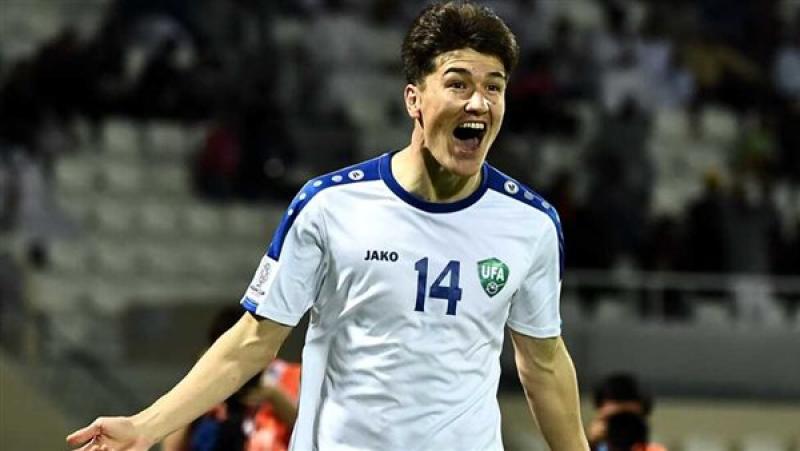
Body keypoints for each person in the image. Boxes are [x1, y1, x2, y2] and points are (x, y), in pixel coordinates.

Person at [67, 3, 589, 450]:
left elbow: (543, 363)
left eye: (494, 87)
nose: (479, 102)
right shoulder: (331, 205)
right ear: (414, 99)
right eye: (458, 84)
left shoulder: (531, 224)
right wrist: (145, 426)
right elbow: (253, 340)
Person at [161, 307, 300, 451]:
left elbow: (309, 432)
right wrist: (197, 394)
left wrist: (274, 396)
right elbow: (170, 448)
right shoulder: (206, 384)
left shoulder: (291, 376)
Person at [587, 373, 666, 451]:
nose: (622, 430)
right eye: (615, 420)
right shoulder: (588, 446)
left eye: (630, 421)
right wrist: (587, 444)